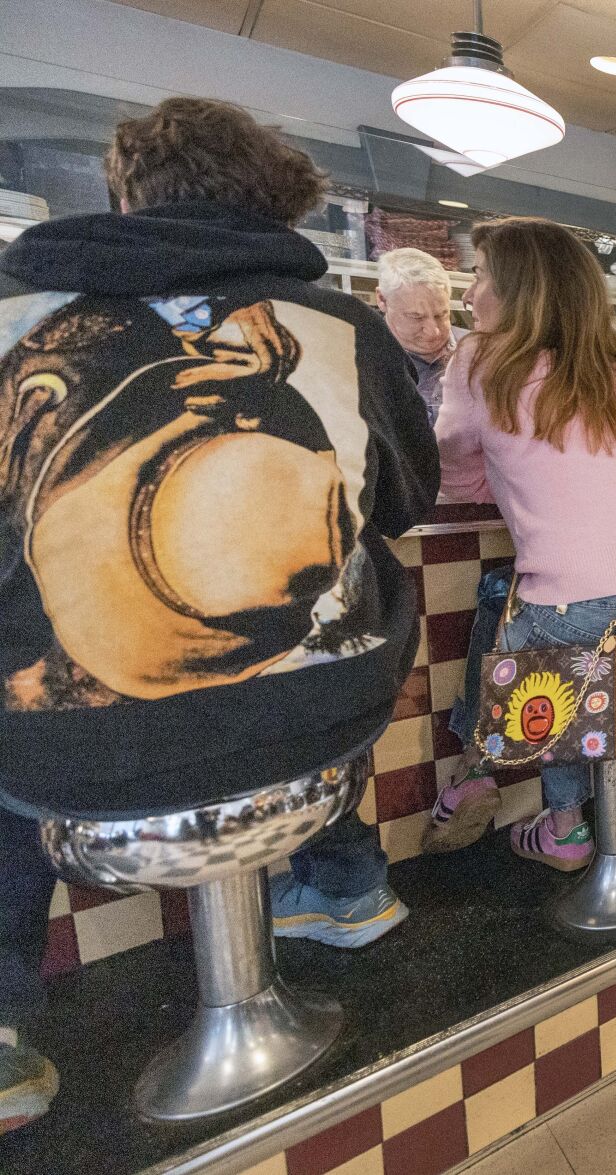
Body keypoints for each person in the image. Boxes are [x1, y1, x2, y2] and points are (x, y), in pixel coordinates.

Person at [0, 97, 438, 1133]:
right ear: (272, 205)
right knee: (330, 625)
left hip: (80, 759)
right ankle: (345, 880)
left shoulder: (17, 328)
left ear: (120, 191)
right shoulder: (345, 326)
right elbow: (408, 504)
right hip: (321, 726)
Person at [425, 217, 616, 868]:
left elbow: (451, 477)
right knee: (517, 604)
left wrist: (520, 478)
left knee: (547, 645)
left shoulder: (480, 361)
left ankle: (549, 813)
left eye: (481, 276)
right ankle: (509, 785)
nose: (469, 295)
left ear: (521, 289)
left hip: (585, 618)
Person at [376, 247, 462, 426]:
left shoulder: (479, 352)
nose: (434, 331)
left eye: (442, 315)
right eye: (416, 317)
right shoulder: (363, 360)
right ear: (382, 300)